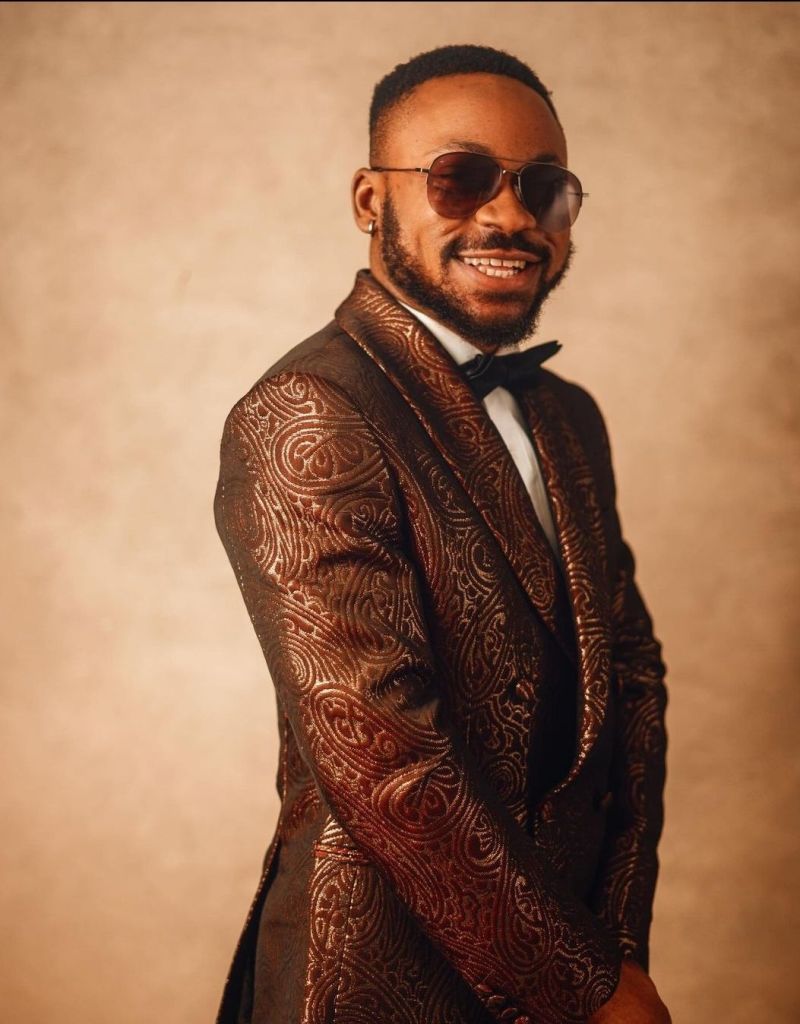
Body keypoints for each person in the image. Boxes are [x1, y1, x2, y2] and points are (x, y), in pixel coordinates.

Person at [213, 44, 670, 1024]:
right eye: (460, 178)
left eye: (541, 187)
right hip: (374, 982)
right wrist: (583, 987)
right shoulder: (307, 410)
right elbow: (387, 761)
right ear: (369, 199)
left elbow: (630, 683)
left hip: (578, 964)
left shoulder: (569, 417)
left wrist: (618, 944)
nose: (509, 217)